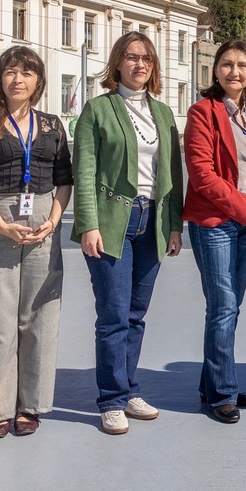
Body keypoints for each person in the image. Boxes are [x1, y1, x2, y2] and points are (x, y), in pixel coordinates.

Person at [71, 31, 184, 436]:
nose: (140, 65)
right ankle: (111, 400)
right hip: (113, 223)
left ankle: (130, 387)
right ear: (117, 63)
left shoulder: (164, 114)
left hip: (152, 221)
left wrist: (174, 225)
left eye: (147, 59)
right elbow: (83, 171)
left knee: (136, 315)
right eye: (132, 57)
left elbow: (173, 175)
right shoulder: (98, 109)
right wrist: (88, 224)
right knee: (114, 316)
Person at [0, 45, 73, 439]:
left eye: (27, 72)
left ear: (39, 81)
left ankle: (31, 405)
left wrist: (54, 221)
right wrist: (2, 224)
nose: (18, 79)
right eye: (10, 72)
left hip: (44, 219)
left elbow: (63, 178)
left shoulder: (52, 126)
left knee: (40, 315)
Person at [182, 40, 246, 424]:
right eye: (226, 64)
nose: (234, 72)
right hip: (216, 223)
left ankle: (212, 382)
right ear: (215, 70)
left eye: (242, 65)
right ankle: (223, 393)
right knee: (222, 306)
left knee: (229, 307)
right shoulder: (202, 111)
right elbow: (202, 173)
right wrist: (245, 209)